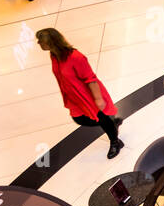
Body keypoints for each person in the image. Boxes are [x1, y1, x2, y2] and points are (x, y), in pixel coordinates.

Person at [37, 28, 124, 159]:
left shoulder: (76, 57)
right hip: (73, 97)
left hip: (88, 96)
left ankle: (115, 142)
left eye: (41, 41)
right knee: (79, 119)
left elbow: (91, 79)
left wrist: (98, 99)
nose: (39, 43)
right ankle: (112, 124)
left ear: (52, 42)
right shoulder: (54, 55)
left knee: (101, 118)